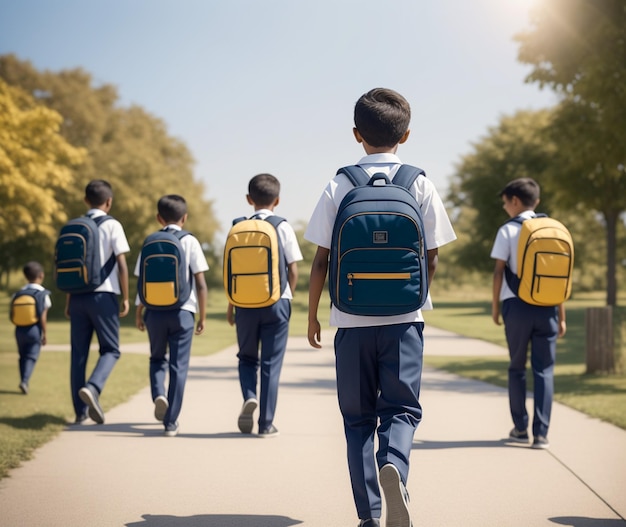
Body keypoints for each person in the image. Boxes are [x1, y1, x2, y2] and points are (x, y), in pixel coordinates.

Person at [305, 88, 456, 527]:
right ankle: (394, 465)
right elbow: (431, 252)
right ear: (405, 135)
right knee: (402, 409)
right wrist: (415, 294)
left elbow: (320, 260)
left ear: (357, 134)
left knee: (356, 421)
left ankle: (370, 516)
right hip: (405, 322)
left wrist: (314, 313)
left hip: (350, 323)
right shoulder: (419, 182)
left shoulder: (340, 183)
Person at [490, 177, 567, 450]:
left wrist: (496, 307)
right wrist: (562, 315)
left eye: (505, 203)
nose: (504, 208)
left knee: (517, 368)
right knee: (545, 371)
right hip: (548, 306)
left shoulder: (508, 230)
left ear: (514, 201)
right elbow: (559, 276)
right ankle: (542, 434)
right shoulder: (554, 229)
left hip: (517, 307)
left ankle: (520, 429)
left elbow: (499, 271)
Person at [227, 173, 303, 438]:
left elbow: (231, 269)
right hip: (276, 302)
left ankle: (250, 395)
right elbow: (293, 269)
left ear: (249, 199)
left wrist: (231, 304)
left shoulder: (237, 227)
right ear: (278, 200)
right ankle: (266, 424)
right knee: (271, 363)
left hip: (243, 303)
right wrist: (286, 296)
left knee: (246, 357)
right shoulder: (281, 226)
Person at [135, 194, 208, 437]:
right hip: (182, 312)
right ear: (184, 218)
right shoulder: (190, 241)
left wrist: (139, 311)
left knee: (157, 358)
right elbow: (200, 282)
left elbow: (141, 281)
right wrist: (203, 316)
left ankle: (158, 394)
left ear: (159, 217)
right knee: (179, 366)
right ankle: (171, 422)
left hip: (154, 312)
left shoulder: (150, 242)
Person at [67, 179, 130, 425]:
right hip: (104, 296)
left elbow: (71, 267)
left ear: (85, 201)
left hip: (78, 297)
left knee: (78, 354)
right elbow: (122, 264)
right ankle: (93, 387)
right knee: (111, 349)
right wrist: (125, 297)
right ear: (109, 202)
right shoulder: (112, 225)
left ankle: (79, 413)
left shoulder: (74, 226)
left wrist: (69, 300)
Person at [12, 261, 51, 394]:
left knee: (22, 356)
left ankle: (23, 379)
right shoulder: (42, 294)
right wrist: (44, 334)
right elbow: (43, 317)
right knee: (32, 356)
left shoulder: (19, 293)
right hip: (34, 329)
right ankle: (25, 381)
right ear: (41, 275)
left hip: (19, 329)